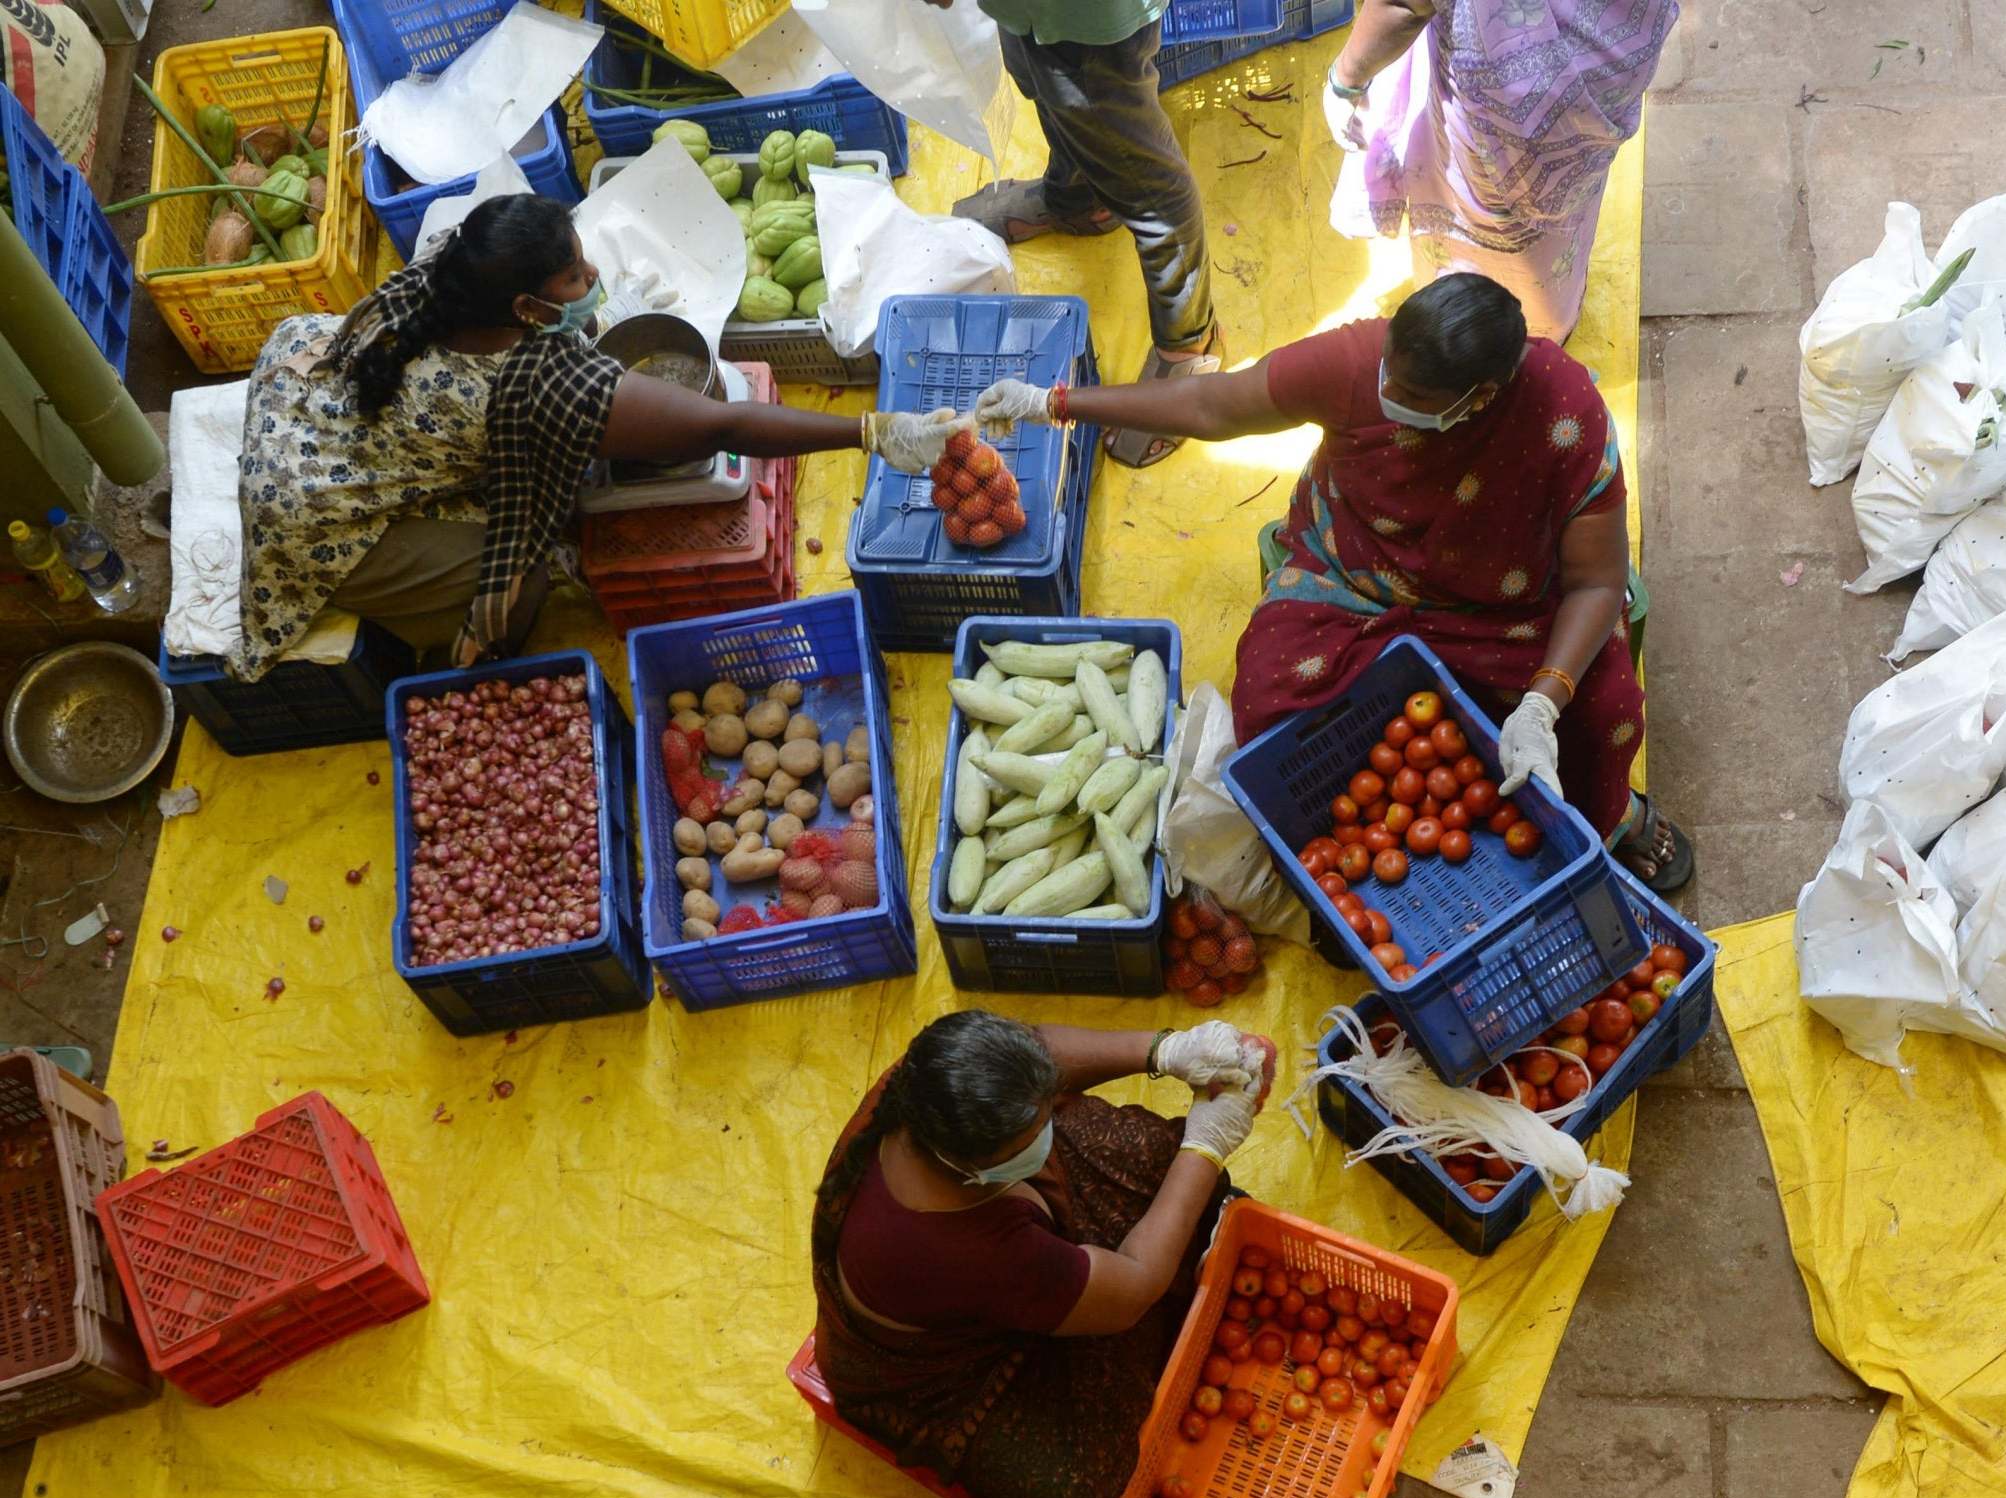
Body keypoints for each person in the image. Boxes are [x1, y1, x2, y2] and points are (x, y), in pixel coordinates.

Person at [976, 272, 1692, 890]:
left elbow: (1597, 583)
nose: (1388, 392)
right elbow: (1212, 405)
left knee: (1600, 713)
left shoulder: (1563, 417)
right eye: (1390, 372)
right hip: (1356, 570)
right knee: (1267, 702)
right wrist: (1057, 405)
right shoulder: (1356, 363)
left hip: (1503, 603)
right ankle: (1372, 834)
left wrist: (1543, 701)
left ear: (1481, 397)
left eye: (1411, 393)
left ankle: (1611, 818)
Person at [228, 195, 962, 680]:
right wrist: (871, 429)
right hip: (310, 509)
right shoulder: (535, 387)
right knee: (526, 578)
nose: (594, 276)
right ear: (526, 307)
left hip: (304, 389)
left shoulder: (449, 275)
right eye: (575, 277)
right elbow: (725, 423)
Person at [811, 1011, 1272, 1498]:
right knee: (1075, 1482)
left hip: (1012, 1233)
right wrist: (1208, 1144)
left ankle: (1185, 1212)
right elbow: (1133, 1287)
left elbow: (1042, 1049)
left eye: (1042, 1107)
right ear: (970, 1164)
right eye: (1031, 1131)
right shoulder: (961, 1248)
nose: (1050, 1120)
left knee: (1156, 1161)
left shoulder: (937, 1082)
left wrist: (1165, 1050)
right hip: (949, 1376)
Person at [922, 0, 1220, 467]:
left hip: (1085, 15)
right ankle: (1079, 198)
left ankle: (1187, 343)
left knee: (1145, 182)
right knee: (1048, 81)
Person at [1320, 0, 1678, 343]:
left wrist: (1345, 79)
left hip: (1502, 92)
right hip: (1613, 45)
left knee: (1482, 209)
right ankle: (1543, 322)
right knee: (1563, 192)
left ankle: (1482, 327)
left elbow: (1404, 5)